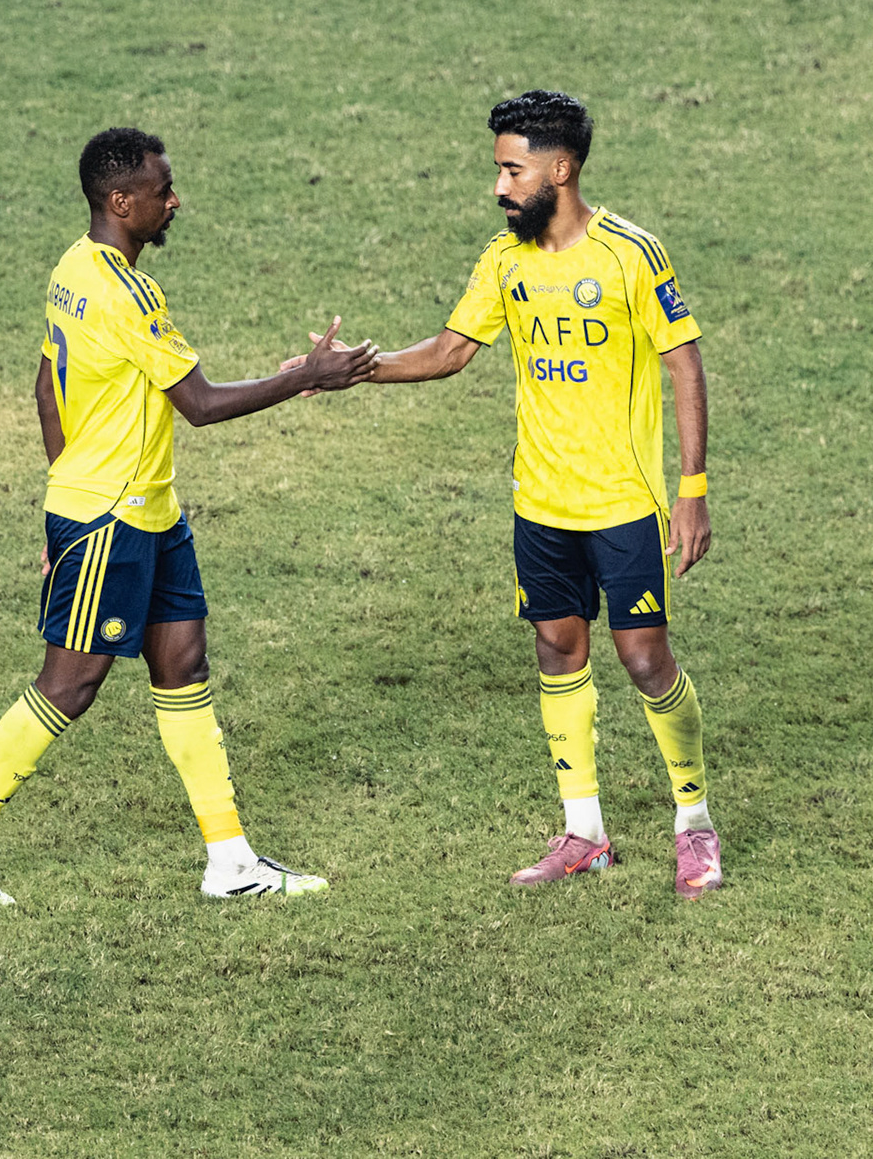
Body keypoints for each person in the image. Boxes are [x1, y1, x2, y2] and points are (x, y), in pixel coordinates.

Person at [0, 127, 377, 904]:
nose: (174, 200)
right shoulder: (127, 292)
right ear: (121, 201)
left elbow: (44, 384)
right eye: (163, 191)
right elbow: (197, 404)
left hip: (148, 513)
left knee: (183, 666)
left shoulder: (72, 268)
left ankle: (231, 863)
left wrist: (61, 493)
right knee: (71, 683)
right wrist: (310, 378)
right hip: (111, 519)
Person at [290, 90, 720, 897]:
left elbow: (684, 362)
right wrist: (348, 369)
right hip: (541, 505)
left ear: (561, 169)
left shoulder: (630, 254)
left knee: (644, 658)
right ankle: (583, 832)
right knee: (559, 650)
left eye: (513, 171)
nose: (500, 187)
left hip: (623, 503)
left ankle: (694, 823)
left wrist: (690, 491)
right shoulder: (505, 260)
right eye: (498, 171)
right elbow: (452, 349)